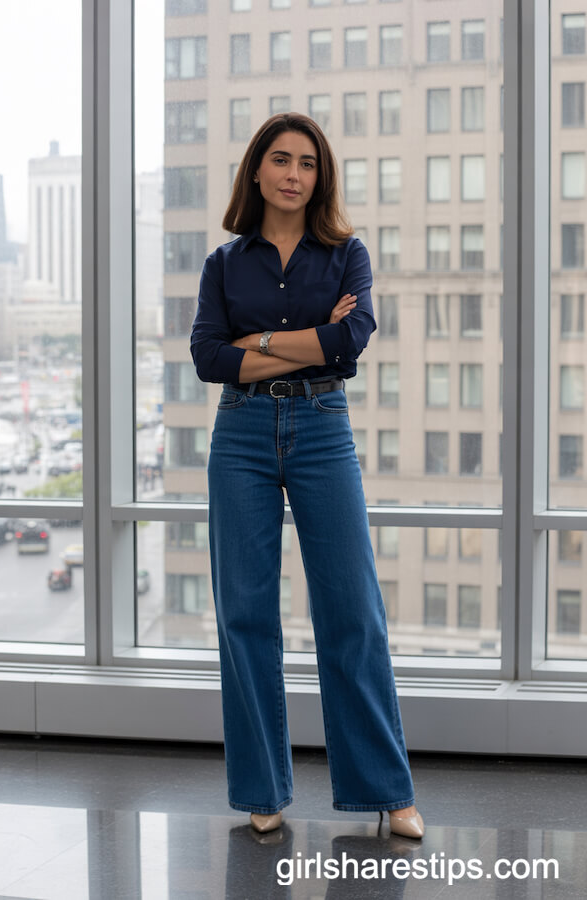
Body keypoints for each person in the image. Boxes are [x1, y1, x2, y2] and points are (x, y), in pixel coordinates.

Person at [190, 113, 424, 839]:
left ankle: (388, 791)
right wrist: (305, 342)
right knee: (245, 616)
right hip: (242, 434)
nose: (295, 174)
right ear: (256, 170)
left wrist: (254, 340)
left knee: (352, 613)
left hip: (324, 430)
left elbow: (351, 340)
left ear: (320, 177)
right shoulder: (225, 264)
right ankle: (263, 789)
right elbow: (208, 358)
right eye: (282, 159)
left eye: (309, 164)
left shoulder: (347, 253)